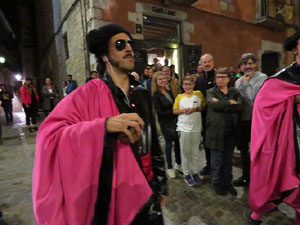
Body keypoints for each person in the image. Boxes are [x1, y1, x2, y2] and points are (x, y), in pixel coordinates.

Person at [32, 23, 167, 225]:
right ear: (104, 54)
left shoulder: (142, 93)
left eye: (130, 44)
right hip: (113, 194)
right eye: (120, 44)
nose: (129, 49)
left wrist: (161, 185)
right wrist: (103, 126)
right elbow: (49, 135)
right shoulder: (86, 94)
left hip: (147, 190)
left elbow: (153, 141)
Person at [248, 31, 300, 225]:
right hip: (287, 140)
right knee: (278, 177)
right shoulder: (281, 79)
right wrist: (292, 99)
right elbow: (262, 104)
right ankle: (257, 214)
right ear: (295, 49)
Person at [206, 68, 242, 196]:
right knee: (216, 161)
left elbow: (239, 106)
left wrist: (223, 104)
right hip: (216, 132)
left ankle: (228, 182)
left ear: (228, 78)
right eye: (218, 77)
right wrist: (229, 103)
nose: (220, 79)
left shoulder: (234, 92)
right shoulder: (211, 91)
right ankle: (216, 183)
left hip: (231, 132)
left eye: (223, 77)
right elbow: (213, 106)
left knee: (227, 160)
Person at [233, 53, 268, 187]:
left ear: (256, 64)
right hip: (243, 120)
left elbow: (256, 98)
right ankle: (246, 176)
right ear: (241, 66)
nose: (248, 66)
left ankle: (260, 179)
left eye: (251, 63)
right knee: (243, 150)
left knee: (258, 150)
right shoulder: (238, 81)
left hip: (257, 120)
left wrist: (246, 84)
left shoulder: (262, 78)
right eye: (245, 63)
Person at [173, 75, 206, 187]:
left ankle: (195, 172)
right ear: (182, 86)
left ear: (193, 85)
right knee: (185, 152)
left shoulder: (198, 94)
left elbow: (203, 107)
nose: (188, 86)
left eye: (190, 84)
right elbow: (174, 110)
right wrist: (184, 110)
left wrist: (195, 109)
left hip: (196, 127)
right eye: (185, 84)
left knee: (195, 152)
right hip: (183, 128)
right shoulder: (179, 97)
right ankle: (187, 174)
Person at [152, 71, 181, 179]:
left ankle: (178, 164)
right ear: (156, 82)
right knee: (169, 145)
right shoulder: (155, 95)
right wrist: (173, 111)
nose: (163, 81)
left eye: (164, 78)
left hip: (175, 121)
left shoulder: (168, 91)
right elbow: (159, 112)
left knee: (178, 143)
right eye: (160, 79)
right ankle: (169, 167)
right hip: (165, 123)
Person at [195, 53, 216, 176]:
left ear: (213, 62)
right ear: (201, 65)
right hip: (203, 116)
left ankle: (217, 165)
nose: (207, 64)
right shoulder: (198, 79)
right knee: (207, 142)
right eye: (204, 62)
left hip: (216, 115)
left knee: (217, 141)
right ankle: (209, 165)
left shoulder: (218, 76)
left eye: (209, 61)